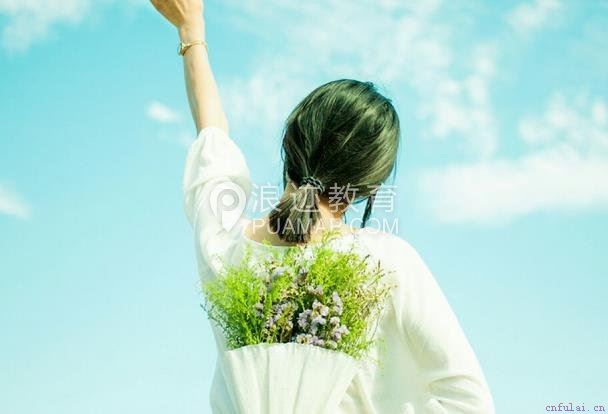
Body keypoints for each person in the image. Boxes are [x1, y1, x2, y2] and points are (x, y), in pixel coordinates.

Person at [151, 0, 496, 412]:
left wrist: (191, 30)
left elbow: (212, 138)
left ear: (291, 141)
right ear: (368, 187)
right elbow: (470, 401)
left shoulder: (225, 247)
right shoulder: (386, 262)